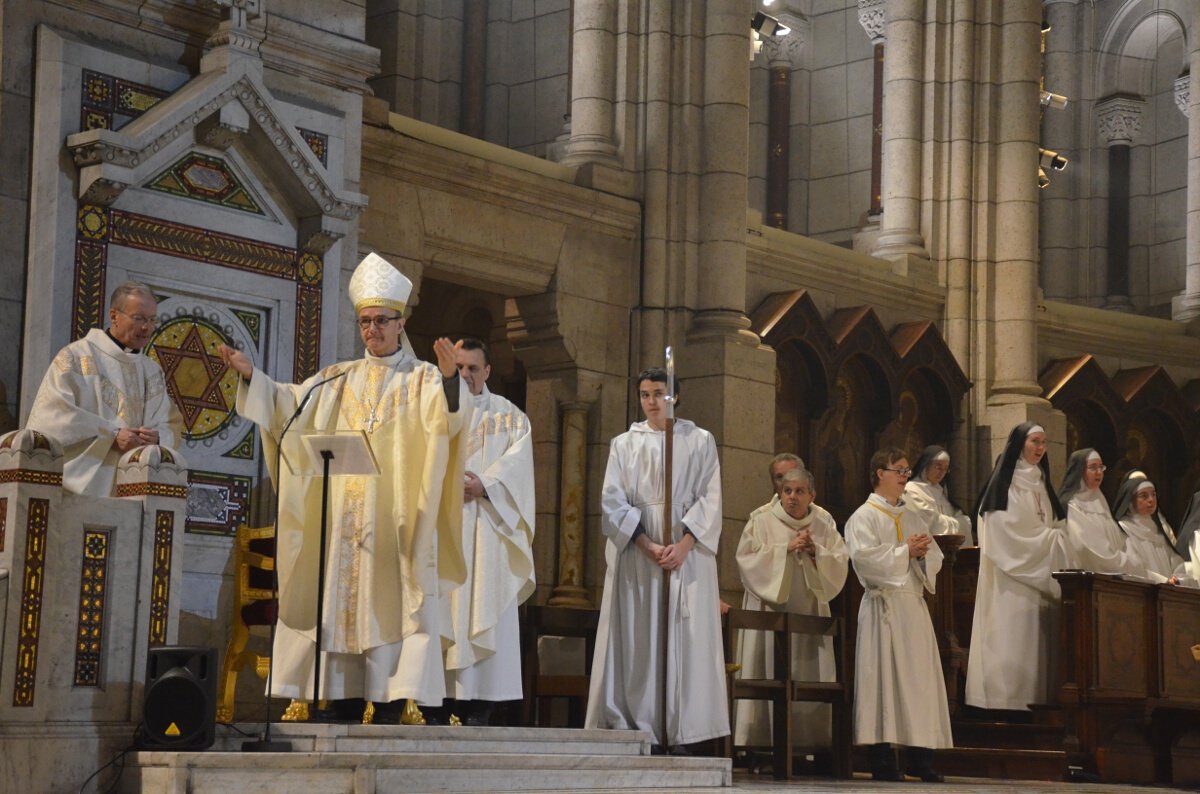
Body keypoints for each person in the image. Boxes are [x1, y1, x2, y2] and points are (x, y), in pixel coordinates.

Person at [217, 252, 469, 723]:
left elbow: (451, 423)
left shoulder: (424, 380)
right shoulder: (335, 378)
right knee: (342, 608)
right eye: (365, 321)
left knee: (392, 608)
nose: (372, 329)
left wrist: (452, 378)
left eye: (381, 320)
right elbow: (288, 406)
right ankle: (344, 699)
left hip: (394, 523)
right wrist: (253, 377)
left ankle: (391, 703)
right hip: (343, 524)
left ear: (401, 323)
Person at [585, 367, 728, 753]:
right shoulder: (624, 444)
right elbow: (612, 502)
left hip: (688, 553)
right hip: (639, 555)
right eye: (646, 394)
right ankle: (638, 723)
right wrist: (647, 544)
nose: (652, 401)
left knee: (683, 639)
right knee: (640, 639)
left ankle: (678, 730)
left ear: (675, 397)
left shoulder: (699, 440)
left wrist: (683, 545)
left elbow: (711, 499)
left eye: (659, 393)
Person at [439, 337, 536, 726]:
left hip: (488, 527)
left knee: (483, 604)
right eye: (458, 367)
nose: (465, 375)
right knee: (445, 607)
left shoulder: (511, 417)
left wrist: (486, 485)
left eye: (473, 368)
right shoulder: (439, 409)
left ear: (488, 371)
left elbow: (520, 467)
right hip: (446, 526)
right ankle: (439, 697)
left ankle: (481, 702)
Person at [845, 447, 951, 782]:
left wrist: (920, 557)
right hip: (884, 607)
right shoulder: (863, 517)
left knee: (919, 684)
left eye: (907, 471)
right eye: (900, 470)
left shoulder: (913, 517)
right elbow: (864, 560)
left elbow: (935, 557)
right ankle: (882, 759)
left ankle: (921, 759)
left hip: (912, 606)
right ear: (880, 473)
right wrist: (907, 551)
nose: (905, 476)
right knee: (883, 682)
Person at [26, 281, 183, 496]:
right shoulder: (76, 357)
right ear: (114, 315)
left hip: (136, 490)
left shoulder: (151, 371)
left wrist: (156, 439)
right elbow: (52, 418)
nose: (146, 327)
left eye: (152, 320)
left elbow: (171, 423)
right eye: (139, 319)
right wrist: (111, 435)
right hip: (84, 491)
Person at [733, 466, 847, 752]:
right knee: (768, 670)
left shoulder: (824, 521)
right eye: (787, 491)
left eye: (799, 492)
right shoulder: (761, 519)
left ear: (812, 494)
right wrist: (785, 549)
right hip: (771, 611)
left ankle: (813, 744)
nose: (792, 497)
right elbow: (746, 559)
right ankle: (761, 745)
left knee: (809, 676)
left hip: (809, 611)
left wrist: (815, 551)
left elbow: (840, 558)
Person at [966, 423, 1071, 712]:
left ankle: (1036, 702)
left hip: (1040, 577)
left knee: (1038, 649)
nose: (1040, 448)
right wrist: (1049, 539)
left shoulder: (1040, 482)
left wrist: (1058, 535)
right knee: (1013, 642)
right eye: (1035, 441)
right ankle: (1005, 701)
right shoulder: (1006, 482)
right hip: (1012, 580)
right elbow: (1002, 529)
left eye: (1044, 442)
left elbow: (1052, 522)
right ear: (1020, 445)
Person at [1060, 449, 1135, 576]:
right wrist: (1126, 563)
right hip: (1087, 582)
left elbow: (1119, 539)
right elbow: (1086, 548)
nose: (1099, 472)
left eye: (1101, 467)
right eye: (1093, 467)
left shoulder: (1101, 502)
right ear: (1080, 471)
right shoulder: (1072, 505)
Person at [1112, 471, 1189, 585]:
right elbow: (1131, 568)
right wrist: (1162, 581)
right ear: (1130, 501)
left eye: (1153, 494)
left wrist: (1178, 579)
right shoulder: (1123, 529)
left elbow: (1177, 564)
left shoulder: (1158, 531)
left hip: (1167, 594)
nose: (1151, 500)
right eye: (1144, 496)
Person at [904, 445, 974, 546]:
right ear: (926, 465)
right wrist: (958, 524)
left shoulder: (941, 492)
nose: (942, 473)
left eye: (945, 469)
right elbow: (933, 525)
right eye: (938, 467)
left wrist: (958, 522)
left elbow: (965, 520)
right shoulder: (912, 490)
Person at [748, 453, 805, 519]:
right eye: (779, 477)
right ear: (773, 482)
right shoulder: (758, 517)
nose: (785, 482)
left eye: (791, 475)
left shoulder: (818, 515)